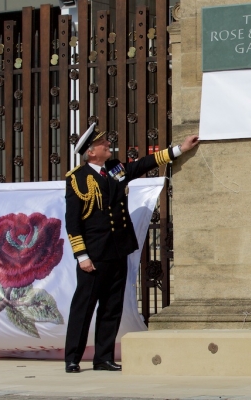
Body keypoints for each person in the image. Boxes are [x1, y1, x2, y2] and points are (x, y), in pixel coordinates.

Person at [64, 123, 199, 373]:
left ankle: (103, 358)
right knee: (83, 307)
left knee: (111, 307)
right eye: (102, 144)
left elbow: (142, 165)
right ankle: (72, 357)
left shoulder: (114, 170)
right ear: (91, 152)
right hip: (94, 255)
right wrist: (81, 255)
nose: (108, 145)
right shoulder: (77, 179)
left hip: (117, 250)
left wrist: (178, 149)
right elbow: (73, 223)